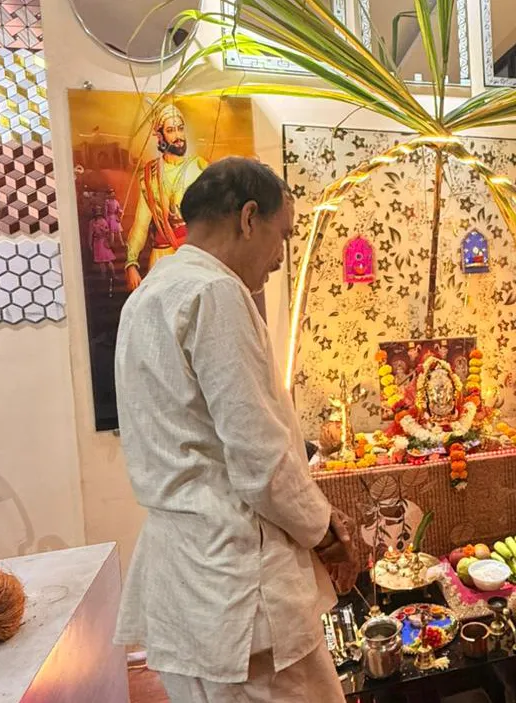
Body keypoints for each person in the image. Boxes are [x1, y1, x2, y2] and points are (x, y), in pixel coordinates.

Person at [114, 157, 352, 702]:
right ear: (249, 217)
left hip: (187, 575)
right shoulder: (215, 294)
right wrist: (326, 531)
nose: (280, 256)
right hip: (241, 582)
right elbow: (260, 461)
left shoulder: (149, 294)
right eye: (282, 234)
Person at [124, 103, 207, 292]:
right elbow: (141, 224)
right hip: (162, 256)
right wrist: (131, 263)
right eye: (171, 130)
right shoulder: (149, 175)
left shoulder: (200, 167)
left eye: (180, 129)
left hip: (194, 253)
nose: (178, 137)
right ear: (160, 135)